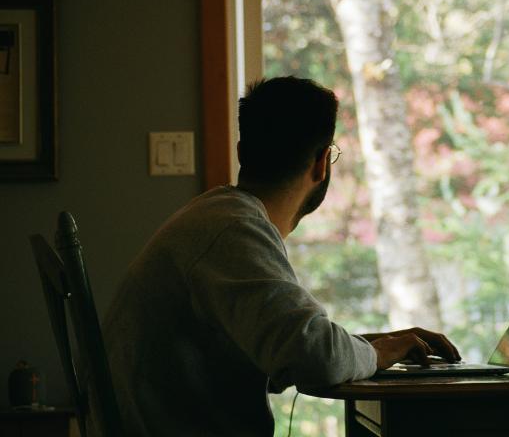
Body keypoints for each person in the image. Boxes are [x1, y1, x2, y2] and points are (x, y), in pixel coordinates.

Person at [92, 76, 461, 436]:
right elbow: (316, 358)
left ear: (241, 152)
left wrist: (372, 346)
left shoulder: (217, 217)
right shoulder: (233, 230)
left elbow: (292, 345)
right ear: (322, 164)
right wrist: (377, 355)